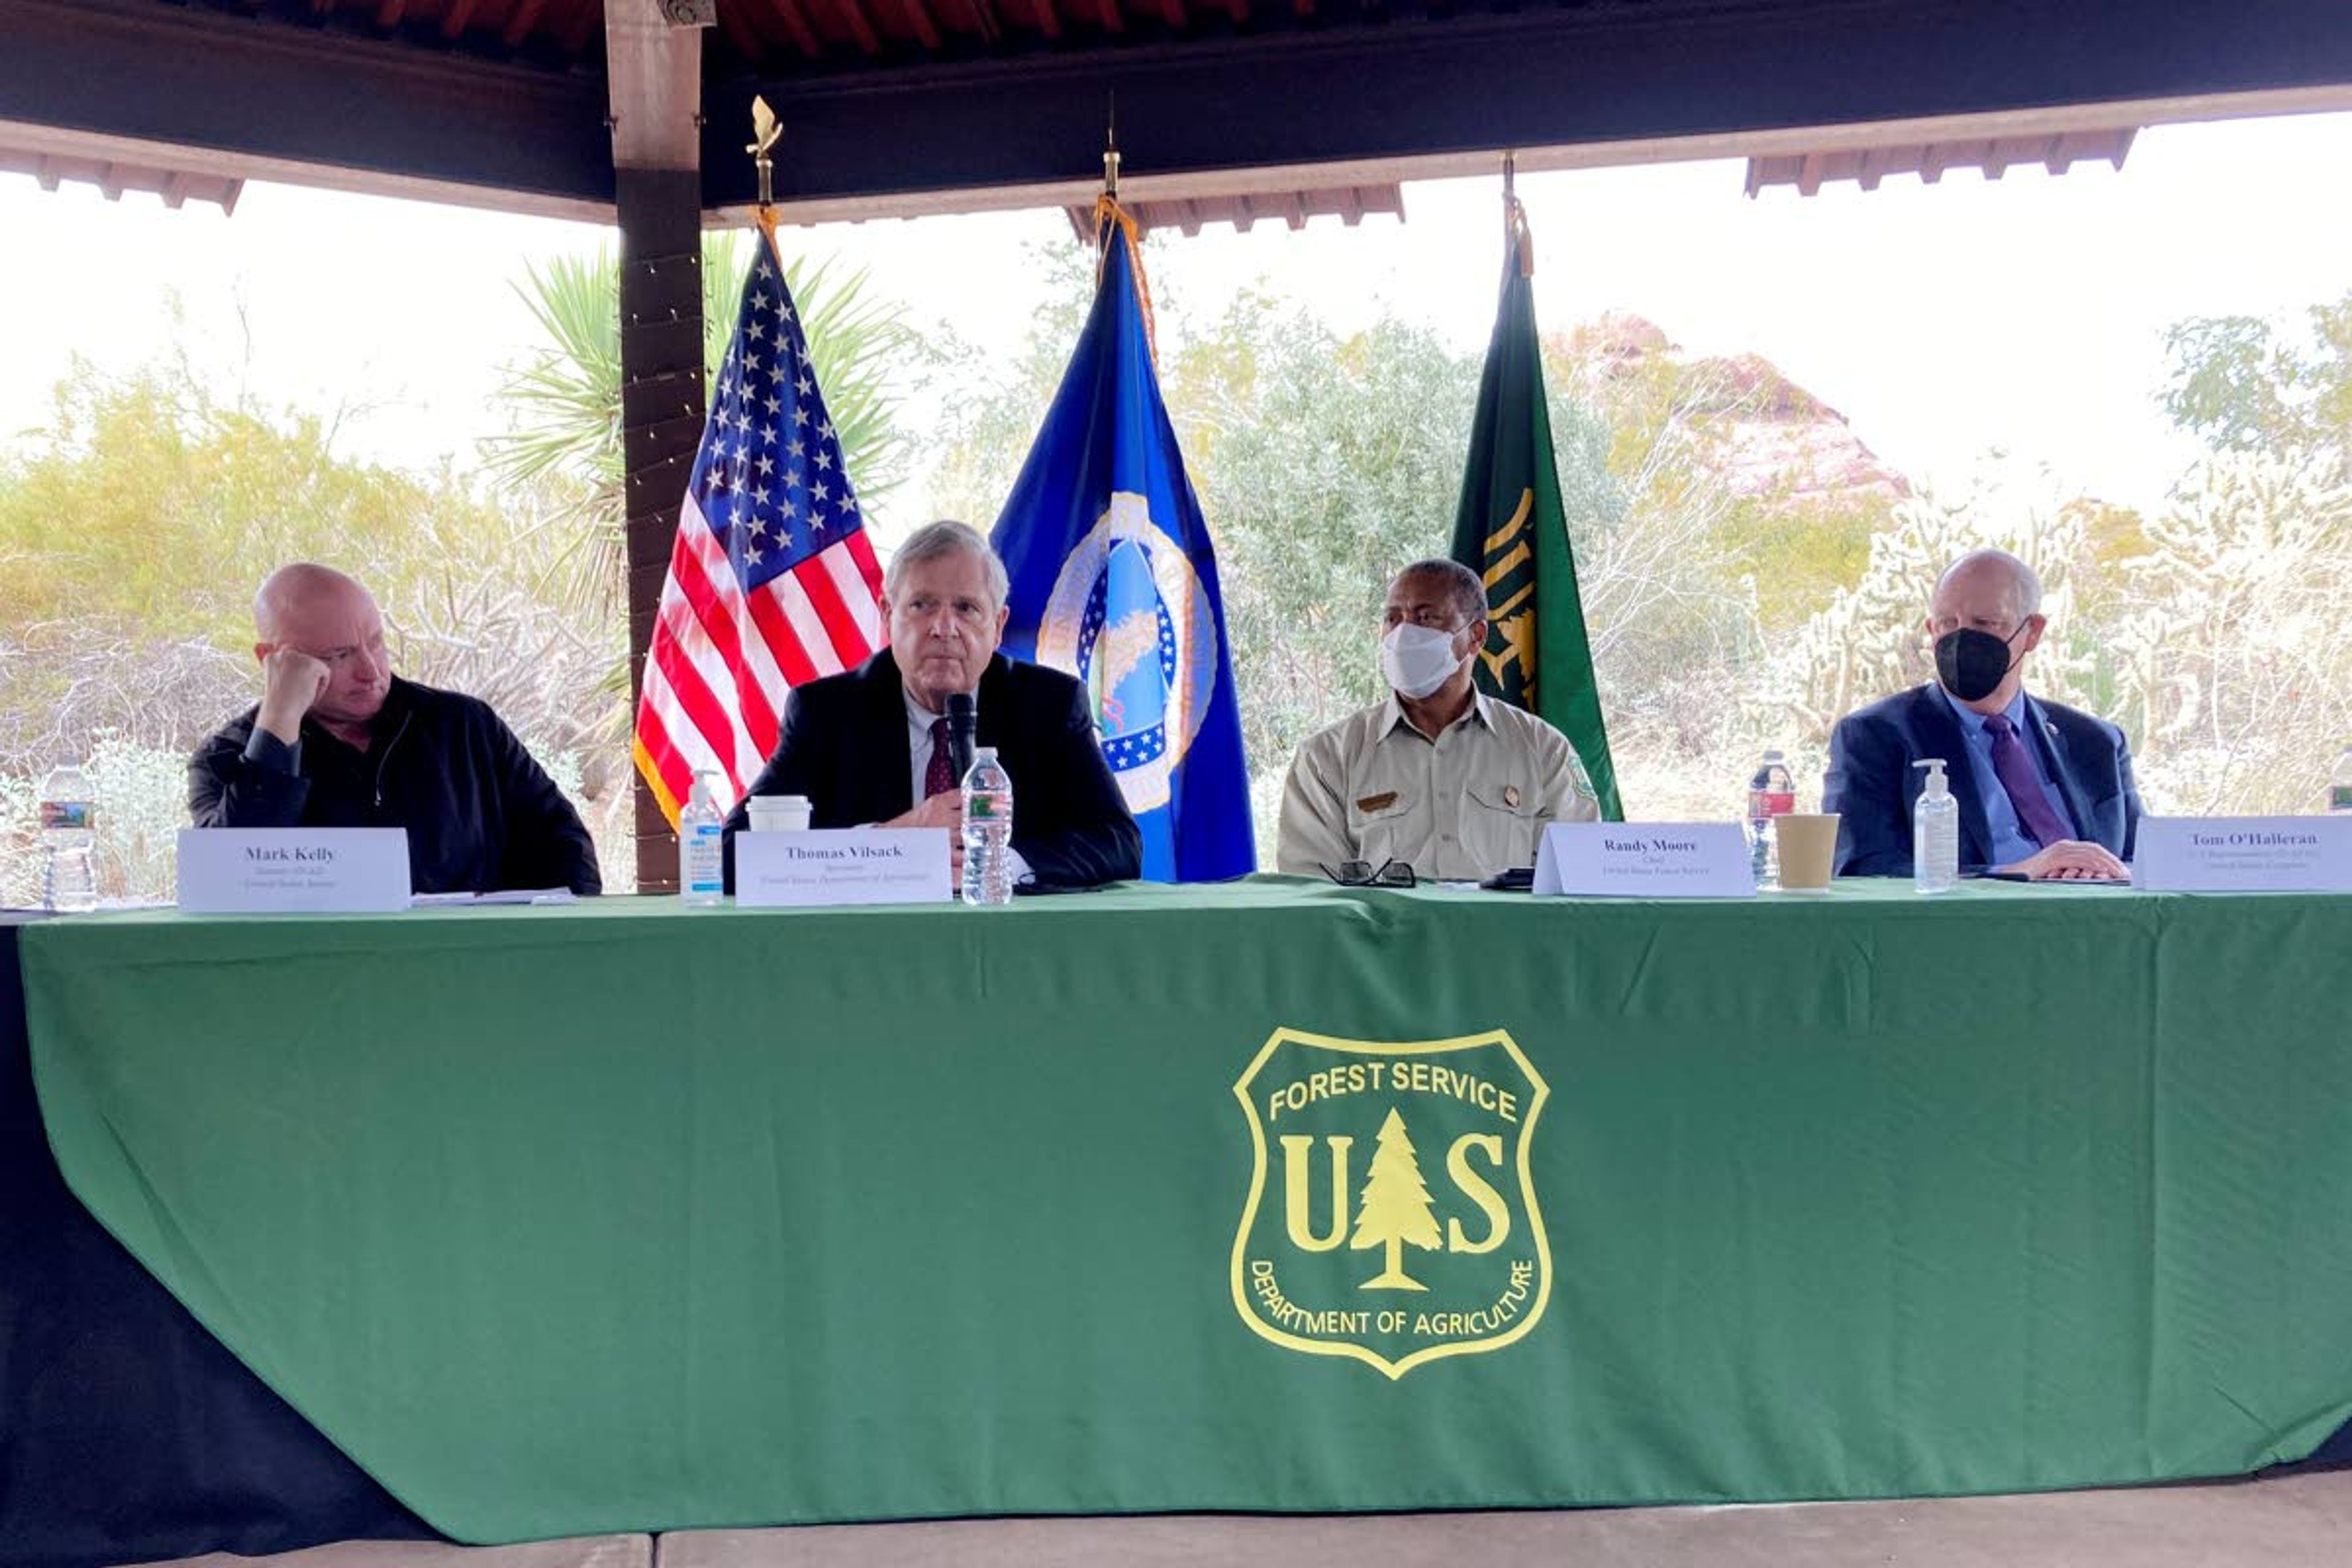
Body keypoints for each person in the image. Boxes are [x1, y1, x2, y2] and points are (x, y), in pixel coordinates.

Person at [723, 521, 1140, 889]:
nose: (944, 628)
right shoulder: (827, 712)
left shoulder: (1048, 705)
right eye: (922, 605)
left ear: (997, 627)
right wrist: (897, 840)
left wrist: (996, 865)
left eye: (966, 608)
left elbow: (1119, 843)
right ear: (888, 616)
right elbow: (733, 854)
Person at [189, 563, 601, 895]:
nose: (370, 671)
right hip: (320, 985)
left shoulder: (465, 728)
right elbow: (233, 881)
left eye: (376, 642)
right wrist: (280, 721)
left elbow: (564, 843)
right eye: (340, 656)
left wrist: (559, 949)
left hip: (471, 975)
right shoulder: (226, 757)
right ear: (274, 659)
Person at [1823, 548, 2141, 880]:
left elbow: (2145, 859)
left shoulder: (2097, 742)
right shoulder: (1875, 736)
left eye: (1985, 623)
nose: (1962, 639)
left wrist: (2107, 873)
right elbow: (1863, 869)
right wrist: (2015, 873)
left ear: (2032, 632)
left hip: (2097, 923)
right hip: (1969, 926)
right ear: (1931, 631)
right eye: (1947, 624)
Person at [1277, 559, 1598, 881]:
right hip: (1382, 933)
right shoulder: (1326, 758)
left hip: (1507, 932)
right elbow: (1313, 894)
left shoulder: (1543, 749)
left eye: (1426, 617)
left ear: (1476, 636)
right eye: (1393, 619)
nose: (1403, 634)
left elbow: (1579, 876)